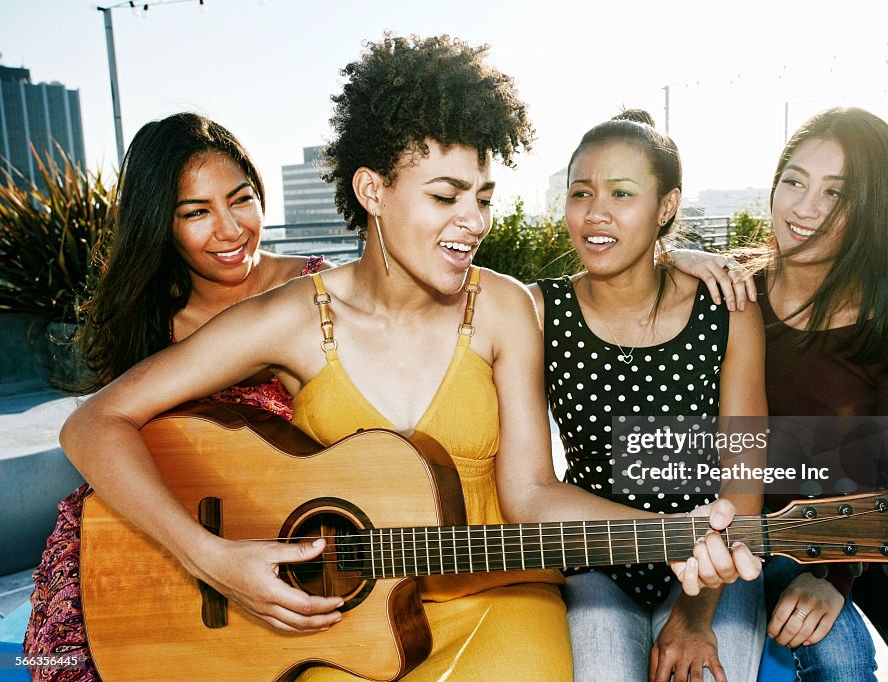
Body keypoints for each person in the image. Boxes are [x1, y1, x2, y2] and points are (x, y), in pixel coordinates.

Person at [58, 35, 760, 681]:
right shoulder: (294, 317)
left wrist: (667, 536)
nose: (476, 222)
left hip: (501, 599)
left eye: (483, 197)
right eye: (446, 196)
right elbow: (93, 424)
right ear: (373, 191)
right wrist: (210, 559)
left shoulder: (505, 307)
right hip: (342, 624)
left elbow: (530, 494)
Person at [673, 107, 888, 680]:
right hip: (768, 525)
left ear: (874, 208)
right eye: (794, 181)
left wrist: (835, 579)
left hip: (874, 521)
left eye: (836, 194)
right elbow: (627, 278)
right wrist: (672, 256)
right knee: (838, 656)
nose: (804, 208)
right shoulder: (733, 291)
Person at [24, 112, 329, 681]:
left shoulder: (318, 293)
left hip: (275, 561)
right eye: (195, 212)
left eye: (241, 199)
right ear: (158, 225)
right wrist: (203, 555)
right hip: (123, 549)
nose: (231, 229)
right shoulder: (149, 316)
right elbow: (90, 429)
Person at [530, 110, 767, 682]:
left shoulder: (728, 308)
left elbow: (746, 475)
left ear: (666, 206)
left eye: (622, 193)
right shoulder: (538, 312)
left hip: (716, 552)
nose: (595, 213)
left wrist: (695, 612)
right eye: (580, 193)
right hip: (595, 560)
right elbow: (533, 487)